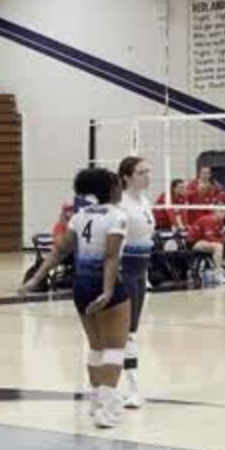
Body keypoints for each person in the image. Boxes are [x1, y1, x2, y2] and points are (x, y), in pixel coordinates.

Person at [23, 166, 133, 428]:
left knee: (96, 346)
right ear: (111, 188)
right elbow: (111, 256)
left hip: (81, 284)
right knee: (115, 348)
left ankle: (96, 401)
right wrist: (108, 291)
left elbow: (60, 250)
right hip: (104, 283)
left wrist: (36, 279)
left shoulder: (80, 215)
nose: (121, 188)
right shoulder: (118, 216)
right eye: (118, 184)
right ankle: (107, 408)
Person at [117, 156, 156, 409]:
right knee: (125, 333)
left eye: (148, 171)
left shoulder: (144, 201)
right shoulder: (120, 204)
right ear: (127, 177)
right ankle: (131, 388)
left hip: (141, 272)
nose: (147, 176)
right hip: (124, 272)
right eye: (141, 172)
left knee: (130, 332)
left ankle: (114, 387)